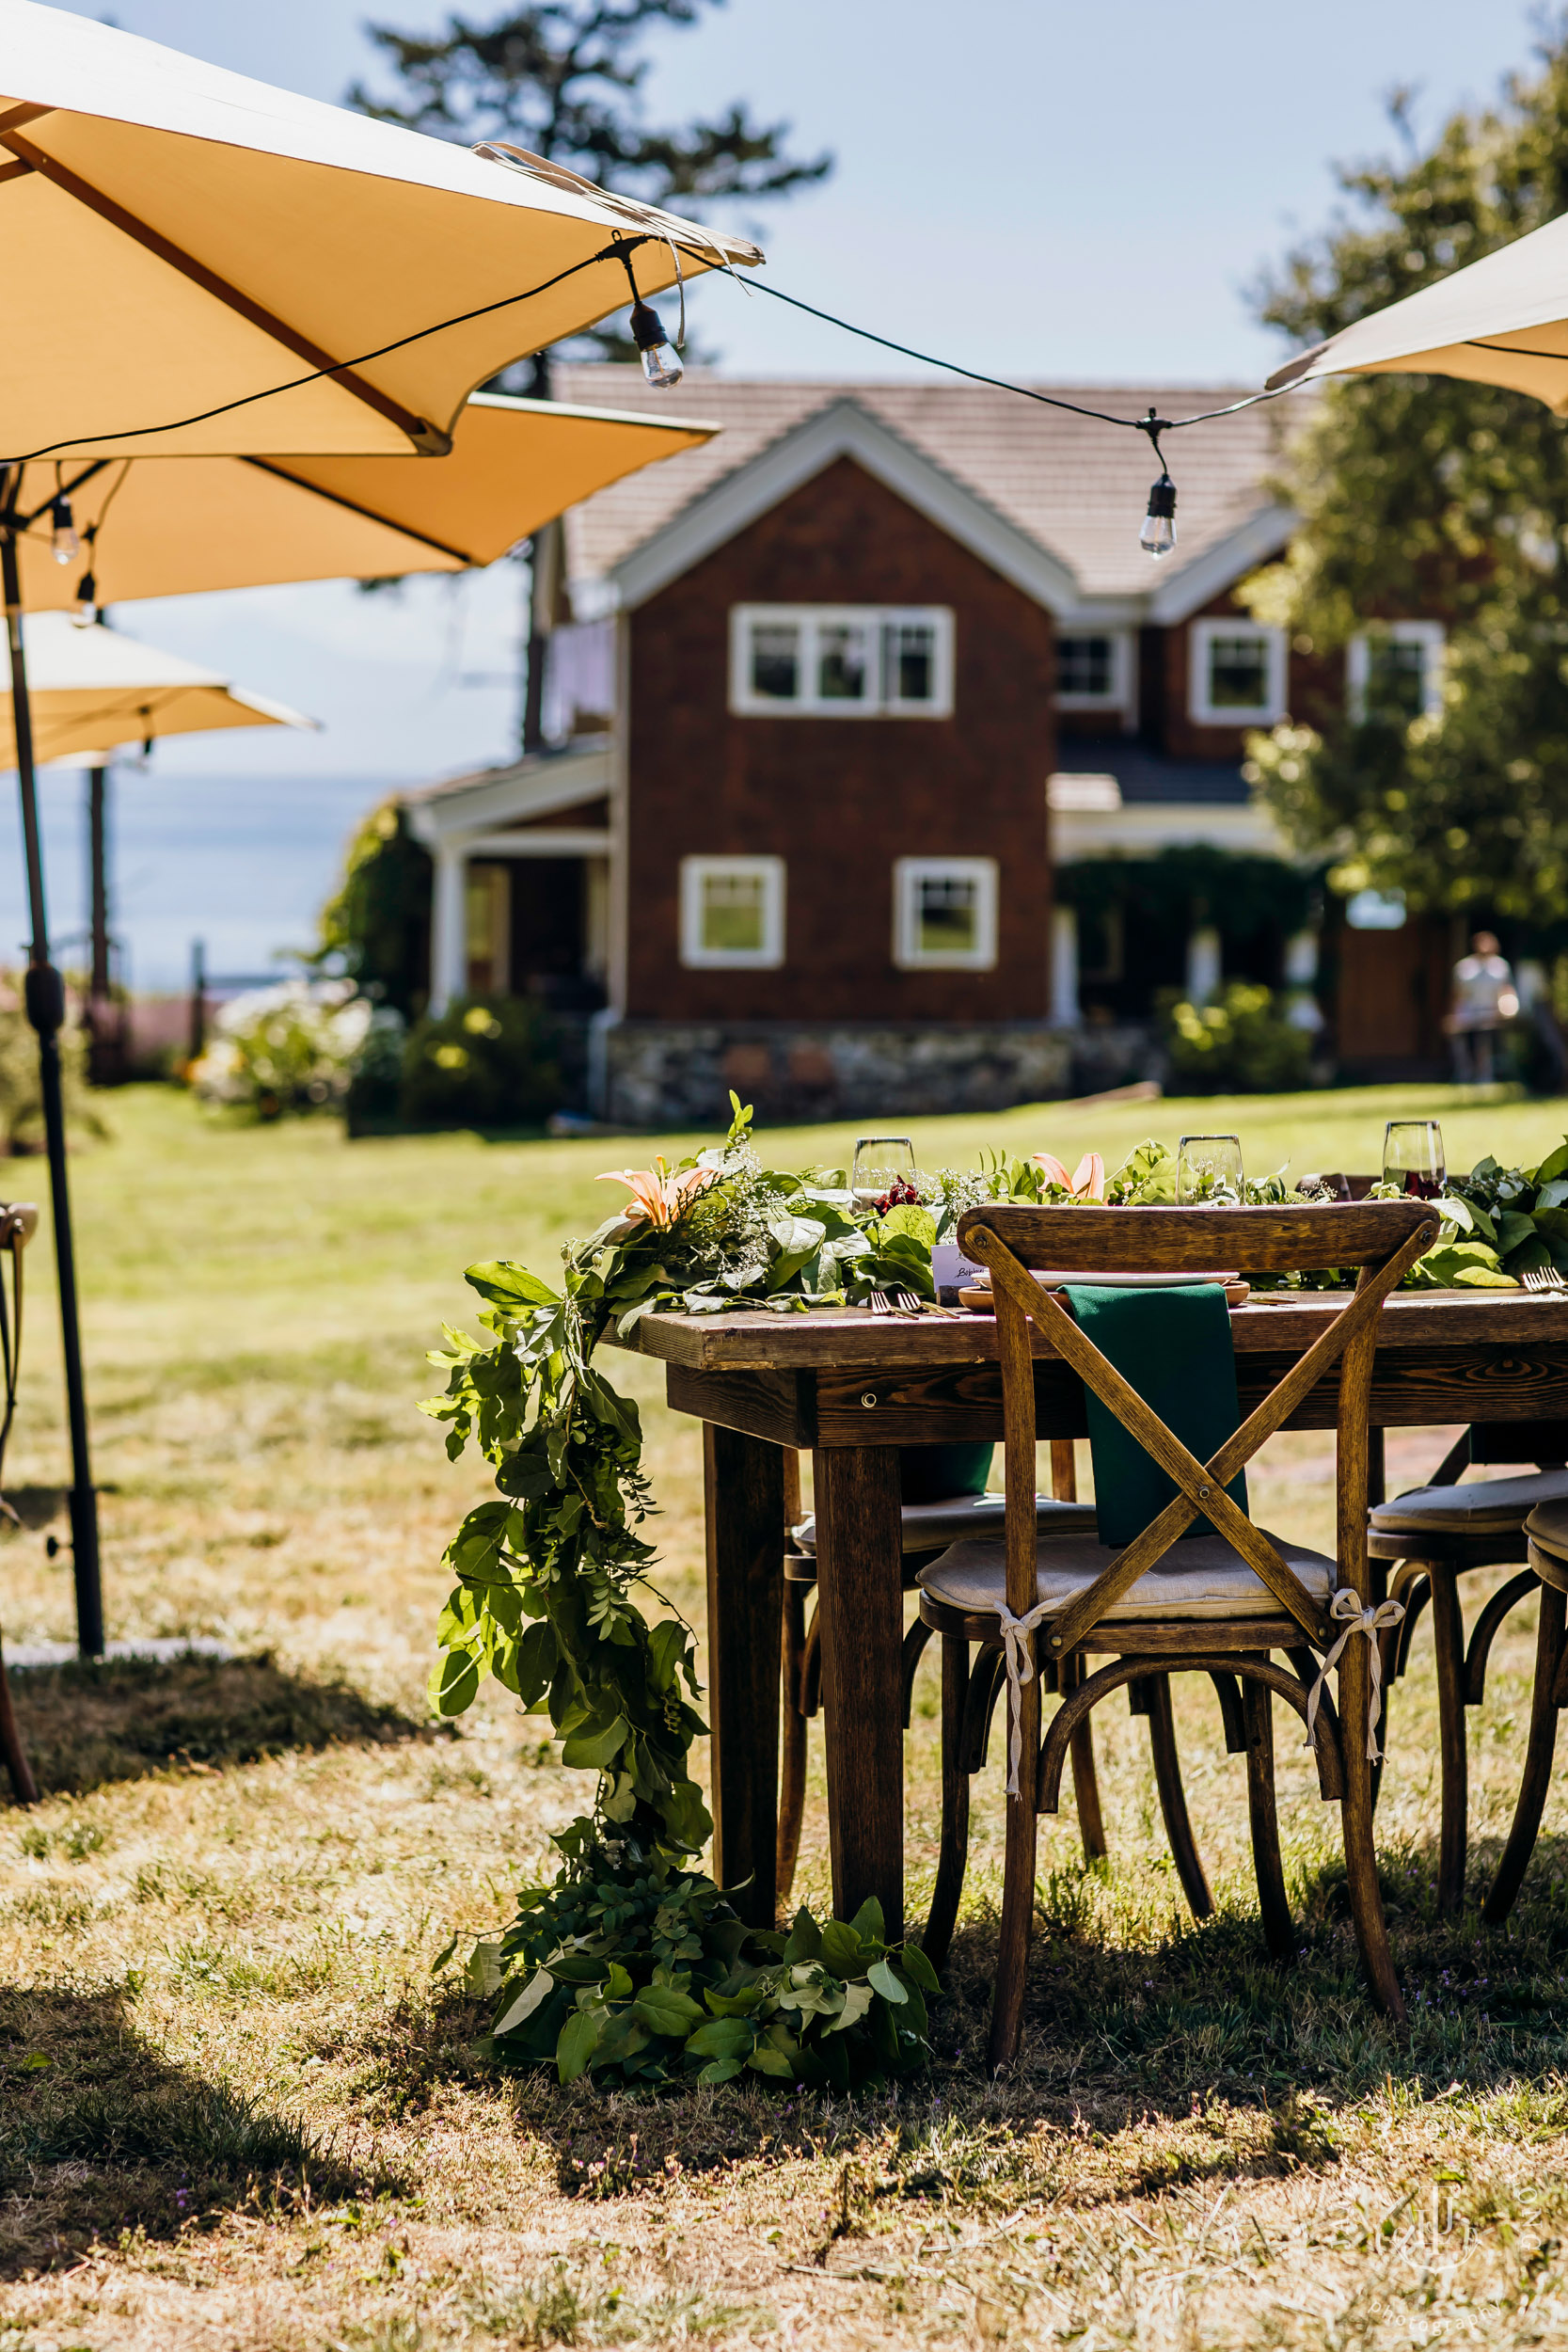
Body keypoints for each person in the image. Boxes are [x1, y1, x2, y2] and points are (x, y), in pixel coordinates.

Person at [1448, 930, 1519, 1083]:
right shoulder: (1465, 967)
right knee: (1462, 1043)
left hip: (1491, 1011)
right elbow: (1457, 993)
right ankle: (1464, 1073)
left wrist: (1507, 1008)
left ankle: (1485, 1076)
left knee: (1484, 1044)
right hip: (1469, 1011)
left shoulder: (1500, 967)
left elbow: (1506, 990)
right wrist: (1455, 1014)